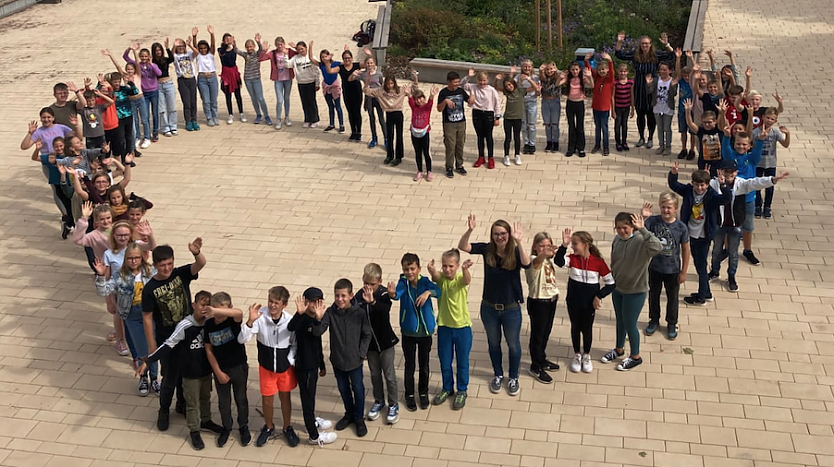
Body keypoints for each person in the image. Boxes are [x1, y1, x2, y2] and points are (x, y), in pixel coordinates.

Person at [136, 291, 223, 451]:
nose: (205, 308)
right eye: (202, 305)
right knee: (192, 403)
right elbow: (168, 344)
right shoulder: (185, 325)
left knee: (205, 398)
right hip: (189, 373)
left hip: (205, 370)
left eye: (208, 305)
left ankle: (206, 420)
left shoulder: (210, 322)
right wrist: (149, 360)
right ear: (193, 305)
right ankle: (194, 431)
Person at [458, 215, 530, 396]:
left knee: (513, 345)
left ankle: (513, 377)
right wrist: (470, 230)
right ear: (492, 235)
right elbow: (463, 246)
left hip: (511, 308)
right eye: (496, 234)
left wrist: (519, 242)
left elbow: (527, 264)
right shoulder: (487, 249)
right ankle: (498, 374)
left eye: (504, 233)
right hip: (489, 307)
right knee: (493, 343)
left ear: (509, 234)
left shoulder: (514, 251)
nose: (500, 237)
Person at [142, 238, 207, 432]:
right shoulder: (150, 289)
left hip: (188, 335)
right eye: (162, 265)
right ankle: (163, 409)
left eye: (170, 263)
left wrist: (196, 252)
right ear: (155, 266)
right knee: (170, 377)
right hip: (167, 336)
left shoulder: (180, 274)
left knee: (186, 372)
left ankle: (182, 403)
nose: (167, 268)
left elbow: (201, 264)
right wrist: (152, 345)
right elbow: (147, 318)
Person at [708, 160, 789, 291]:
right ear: (720, 171)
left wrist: (772, 180)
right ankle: (714, 271)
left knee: (733, 253)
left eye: (731, 171)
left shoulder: (741, 184)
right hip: (719, 224)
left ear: (736, 172)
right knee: (716, 250)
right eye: (725, 171)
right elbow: (700, 186)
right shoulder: (714, 184)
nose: (728, 174)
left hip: (735, 225)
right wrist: (706, 176)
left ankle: (731, 277)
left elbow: (756, 182)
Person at [237, 286, 300, 448]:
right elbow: (242, 339)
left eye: (276, 303)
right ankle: (269, 426)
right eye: (270, 301)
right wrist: (250, 321)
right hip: (266, 368)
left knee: (285, 398)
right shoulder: (260, 317)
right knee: (267, 400)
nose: (272, 305)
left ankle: (287, 427)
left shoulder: (290, 320)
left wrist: (290, 361)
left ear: (284, 305)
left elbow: (294, 344)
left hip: (284, 368)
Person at [94, 242, 159, 394]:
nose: (134, 261)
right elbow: (103, 291)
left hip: (150, 313)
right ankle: (143, 377)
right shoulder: (119, 276)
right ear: (125, 260)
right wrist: (101, 275)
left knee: (153, 346)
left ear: (142, 258)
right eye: (130, 258)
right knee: (141, 348)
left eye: (137, 257)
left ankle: (155, 378)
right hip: (131, 315)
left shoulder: (151, 271)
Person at [601, 210, 662, 371]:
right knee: (620, 321)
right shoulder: (617, 240)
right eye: (618, 228)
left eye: (625, 227)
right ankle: (619, 349)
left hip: (635, 291)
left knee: (630, 324)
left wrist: (643, 229)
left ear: (632, 227)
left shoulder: (641, 240)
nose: (622, 231)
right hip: (618, 288)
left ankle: (636, 356)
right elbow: (615, 261)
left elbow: (657, 247)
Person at [312, 279, 372, 437]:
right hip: (338, 361)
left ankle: (359, 418)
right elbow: (318, 332)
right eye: (337, 295)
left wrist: (361, 352)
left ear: (351, 295)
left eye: (343, 296)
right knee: (344, 389)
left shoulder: (359, 313)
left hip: (355, 361)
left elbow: (367, 334)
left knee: (358, 389)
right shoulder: (331, 313)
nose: (340, 299)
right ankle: (349, 414)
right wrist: (317, 318)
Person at [667, 162, 731, 306]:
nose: (699, 188)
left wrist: (723, 185)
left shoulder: (712, 196)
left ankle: (701, 297)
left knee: (700, 267)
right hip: (690, 233)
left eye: (703, 185)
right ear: (692, 183)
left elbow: (726, 199)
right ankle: (706, 293)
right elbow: (675, 185)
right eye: (697, 185)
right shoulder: (689, 191)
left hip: (703, 236)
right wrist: (674, 174)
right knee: (699, 264)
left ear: (708, 184)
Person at [555, 229, 615, 373]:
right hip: (573, 302)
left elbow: (611, 284)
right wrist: (563, 245)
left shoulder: (599, 263)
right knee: (575, 328)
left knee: (587, 329)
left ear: (586, 245)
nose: (572, 246)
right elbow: (558, 261)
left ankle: (586, 356)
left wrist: (598, 296)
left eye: (575, 244)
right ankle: (577, 355)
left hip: (589, 304)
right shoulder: (572, 259)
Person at [388, 253, 441, 411]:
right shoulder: (403, 283)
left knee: (424, 364)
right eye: (406, 269)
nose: (409, 272)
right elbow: (397, 294)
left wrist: (427, 293)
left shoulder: (425, 282)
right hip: (409, 332)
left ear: (418, 268)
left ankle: (423, 392)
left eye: (412, 268)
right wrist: (391, 293)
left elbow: (438, 291)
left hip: (425, 332)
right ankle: (409, 394)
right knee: (409, 365)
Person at [287, 288, 337, 446]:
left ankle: (313, 421)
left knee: (311, 398)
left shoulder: (315, 318)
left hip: (313, 366)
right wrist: (300, 313)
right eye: (312, 301)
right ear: (305, 302)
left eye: (318, 301)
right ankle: (314, 436)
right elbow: (293, 327)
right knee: (307, 401)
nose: (315, 304)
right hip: (304, 367)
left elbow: (317, 344)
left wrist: (321, 364)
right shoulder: (303, 320)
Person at [426, 249, 473, 409]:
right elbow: (436, 276)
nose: (447, 269)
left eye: (451, 266)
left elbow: (466, 281)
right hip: (445, 327)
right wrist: (432, 270)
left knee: (462, 362)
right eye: (444, 266)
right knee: (445, 362)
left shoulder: (460, 278)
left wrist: (465, 269)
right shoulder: (441, 280)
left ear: (457, 265)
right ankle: (447, 388)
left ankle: (462, 390)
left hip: (462, 328)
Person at [203, 292, 252, 447]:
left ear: (228, 308)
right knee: (224, 402)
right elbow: (209, 350)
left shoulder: (233, 320)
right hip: (221, 370)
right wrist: (217, 372)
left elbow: (238, 313)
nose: (217, 316)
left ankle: (243, 426)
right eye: (214, 311)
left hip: (239, 367)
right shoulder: (209, 325)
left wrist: (217, 311)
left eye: (220, 311)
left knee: (241, 399)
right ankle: (226, 427)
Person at [354, 263, 400, 424]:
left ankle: (393, 404)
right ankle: (379, 401)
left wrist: (372, 302)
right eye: (366, 283)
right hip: (370, 345)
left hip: (386, 342)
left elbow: (383, 311)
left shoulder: (383, 294)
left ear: (379, 281)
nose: (368, 287)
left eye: (372, 284)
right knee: (375, 375)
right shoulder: (358, 297)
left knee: (389, 375)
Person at [615, 31, 675, 149]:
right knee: (640, 113)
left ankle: (650, 138)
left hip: (652, 86)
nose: (644, 46)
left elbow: (672, 56)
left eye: (647, 43)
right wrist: (619, 42)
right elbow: (619, 55)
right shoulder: (635, 54)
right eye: (642, 43)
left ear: (651, 44)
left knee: (651, 113)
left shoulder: (656, 54)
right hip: (639, 86)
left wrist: (667, 44)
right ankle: (641, 137)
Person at [643, 193, 690, 339]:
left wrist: (684, 271)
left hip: (673, 269)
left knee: (672, 298)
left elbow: (686, 249)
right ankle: (654, 320)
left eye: (669, 207)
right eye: (663, 207)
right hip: (655, 267)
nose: (666, 210)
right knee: (653, 295)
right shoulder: (653, 221)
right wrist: (644, 218)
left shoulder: (681, 227)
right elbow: (640, 233)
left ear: (675, 208)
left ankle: (671, 322)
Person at [721, 129, 765, 266]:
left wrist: (761, 140)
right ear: (735, 144)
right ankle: (727, 249)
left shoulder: (751, 159)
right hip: (732, 199)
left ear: (749, 145)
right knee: (729, 224)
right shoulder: (730, 156)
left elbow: (758, 152)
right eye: (738, 144)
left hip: (748, 199)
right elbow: (725, 149)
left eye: (744, 145)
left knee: (748, 226)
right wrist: (727, 137)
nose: (741, 147)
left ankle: (747, 250)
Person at [524, 232, 560, 384]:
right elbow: (536, 262)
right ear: (535, 247)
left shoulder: (549, 261)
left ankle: (542, 359)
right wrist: (543, 254)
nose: (545, 249)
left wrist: (563, 246)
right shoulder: (533, 259)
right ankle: (536, 366)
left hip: (551, 300)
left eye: (548, 245)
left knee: (546, 332)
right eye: (541, 246)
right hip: (539, 302)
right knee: (538, 336)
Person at [363, 73, 415, 166]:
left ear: (394, 83)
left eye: (391, 83)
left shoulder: (400, 90)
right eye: (388, 84)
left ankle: (399, 157)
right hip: (389, 114)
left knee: (399, 136)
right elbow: (367, 91)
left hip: (398, 113)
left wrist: (415, 79)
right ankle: (389, 155)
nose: (390, 86)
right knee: (390, 136)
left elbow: (414, 89)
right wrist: (367, 82)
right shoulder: (381, 91)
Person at [461, 69, 502, 169]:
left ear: (487, 80)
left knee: (488, 136)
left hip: (488, 114)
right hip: (477, 113)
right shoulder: (473, 87)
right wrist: (468, 76)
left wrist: (497, 117)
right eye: (480, 80)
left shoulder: (491, 90)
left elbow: (497, 104)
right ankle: (481, 157)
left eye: (484, 80)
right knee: (480, 136)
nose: (482, 83)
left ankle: (491, 158)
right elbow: (462, 85)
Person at [753, 110, 790, 219]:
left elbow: (786, 145)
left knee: (770, 186)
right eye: (768, 117)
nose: (769, 120)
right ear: (763, 117)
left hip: (771, 163)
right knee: (757, 185)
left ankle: (767, 206)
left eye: (772, 119)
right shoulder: (755, 132)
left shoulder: (775, 132)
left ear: (775, 121)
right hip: (758, 163)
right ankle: (757, 205)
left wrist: (787, 134)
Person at [438, 72, 474, 178]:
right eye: (455, 82)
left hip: (461, 122)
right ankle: (449, 167)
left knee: (460, 144)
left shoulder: (460, 91)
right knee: (450, 145)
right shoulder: (443, 93)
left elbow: (469, 101)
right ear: (448, 82)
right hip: (449, 123)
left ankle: (459, 165)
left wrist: (472, 98)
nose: (457, 84)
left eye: (458, 82)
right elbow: (439, 109)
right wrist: (445, 102)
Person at [124, 43, 162, 143]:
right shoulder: (138, 66)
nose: (144, 58)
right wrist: (131, 49)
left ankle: (155, 133)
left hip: (153, 91)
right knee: (145, 116)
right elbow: (125, 57)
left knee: (155, 113)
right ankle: (146, 134)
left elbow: (159, 73)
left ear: (149, 56)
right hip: (143, 93)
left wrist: (151, 64)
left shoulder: (153, 65)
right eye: (142, 56)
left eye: (146, 56)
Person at [646, 50, 681, 156]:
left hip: (668, 108)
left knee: (667, 128)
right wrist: (648, 84)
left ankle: (668, 147)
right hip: (657, 107)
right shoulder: (656, 80)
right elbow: (650, 92)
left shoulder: (672, 81)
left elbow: (673, 94)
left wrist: (672, 86)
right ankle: (661, 145)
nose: (662, 71)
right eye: (661, 69)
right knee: (660, 128)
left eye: (665, 70)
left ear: (670, 71)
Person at [349, 56, 385, 148]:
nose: (369, 65)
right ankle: (374, 138)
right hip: (368, 98)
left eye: (371, 63)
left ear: (374, 64)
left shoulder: (378, 74)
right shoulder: (363, 74)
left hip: (378, 98)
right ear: (365, 64)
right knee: (371, 118)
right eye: (368, 63)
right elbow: (350, 79)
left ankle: (386, 139)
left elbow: (382, 85)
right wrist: (353, 74)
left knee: (381, 119)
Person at [494, 73, 528, 166]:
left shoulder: (520, 91)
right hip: (508, 118)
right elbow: (496, 87)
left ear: (514, 83)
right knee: (508, 138)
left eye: (510, 84)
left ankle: (517, 155)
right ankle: (506, 156)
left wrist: (529, 79)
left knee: (517, 137)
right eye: (506, 86)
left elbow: (534, 89)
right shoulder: (506, 92)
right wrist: (496, 79)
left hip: (518, 118)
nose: (509, 87)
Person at [238, 34, 271, 126]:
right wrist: (234, 44)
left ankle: (267, 116)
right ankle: (258, 115)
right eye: (248, 47)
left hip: (256, 79)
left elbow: (261, 49)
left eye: (251, 46)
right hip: (248, 79)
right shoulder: (245, 55)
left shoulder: (257, 54)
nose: (249, 49)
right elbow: (236, 51)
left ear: (254, 47)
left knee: (260, 98)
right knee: (253, 98)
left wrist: (258, 41)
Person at [309, 47, 344, 133]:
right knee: (330, 106)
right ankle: (331, 124)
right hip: (326, 86)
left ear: (329, 56)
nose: (324, 58)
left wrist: (346, 50)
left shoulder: (335, 63)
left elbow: (347, 62)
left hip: (334, 87)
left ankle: (341, 125)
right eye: (322, 57)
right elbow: (311, 59)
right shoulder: (321, 65)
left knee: (338, 106)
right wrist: (310, 47)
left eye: (325, 56)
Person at [586, 52, 615, 156]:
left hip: (605, 108)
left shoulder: (609, 79)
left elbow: (612, 72)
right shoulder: (597, 78)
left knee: (604, 128)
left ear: (607, 70)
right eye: (599, 69)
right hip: (596, 107)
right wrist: (586, 61)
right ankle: (597, 144)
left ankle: (606, 146)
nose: (602, 71)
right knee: (597, 127)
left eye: (604, 69)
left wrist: (610, 60)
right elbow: (589, 70)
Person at [286, 41, 320, 128]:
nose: (301, 51)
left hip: (311, 82)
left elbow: (317, 71)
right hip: (301, 83)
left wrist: (317, 83)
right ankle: (307, 119)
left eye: (302, 49)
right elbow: (288, 65)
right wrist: (285, 55)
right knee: (304, 102)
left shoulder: (311, 58)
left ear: (306, 48)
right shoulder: (295, 58)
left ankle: (315, 120)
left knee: (312, 102)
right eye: (299, 49)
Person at [408, 86, 438, 181]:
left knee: (426, 152)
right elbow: (411, 101)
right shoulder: (414, 107)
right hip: (414, 133)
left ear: (424, 98)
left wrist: (432, 95)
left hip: (425, 133)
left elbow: (430, 103)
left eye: (421, 98)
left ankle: (429, 171)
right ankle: (419, 170)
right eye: (417, 99)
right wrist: (409, 94)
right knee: (417, 152)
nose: (419, 100)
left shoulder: (426, 107)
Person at [564, 62, 593, 158]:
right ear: (570, 70)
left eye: (576, 69)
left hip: (579, 104)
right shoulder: (568, 78)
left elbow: (592, 85)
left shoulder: (582, 78)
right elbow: (557, 84)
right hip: (570, 103)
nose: (575, 71)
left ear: (579, 69)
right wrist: (560, 77)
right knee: (571, 126)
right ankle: (571, 148)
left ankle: (581, 148)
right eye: (573, 69)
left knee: (580, 127)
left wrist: (589, 76)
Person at [267, 36, 297, 129]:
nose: (279, 46)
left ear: (284, 44)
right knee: (280, 100)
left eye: (281, 44)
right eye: (278, 45)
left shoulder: (288, 51)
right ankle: (278, 119)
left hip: (288, 78)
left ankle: (287, 117)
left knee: (286, 98)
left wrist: (295, 47)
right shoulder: (273, 53)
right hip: (278, 79)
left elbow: (299, 53)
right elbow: (261, 58)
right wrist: (263, 49)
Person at [193, 25, 220, 127]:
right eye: (201, 48)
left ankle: (215, 116)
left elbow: (213, 45)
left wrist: (212, 34)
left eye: (205, 48)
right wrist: (194, 36)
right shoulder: (198, 55)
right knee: (206, 100)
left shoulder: (211, 54)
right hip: (202, 79)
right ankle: (209, 117)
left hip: (212, 77)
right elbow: (195, 46)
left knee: (213, 100)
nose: (203, 50)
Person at [172, 36, 200, 131]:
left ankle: (194, 120)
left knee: (193, 101)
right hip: (182, 80)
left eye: (182, 46)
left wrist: (190, 45)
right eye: (179, 47)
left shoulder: (189, 54)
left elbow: (197, 53)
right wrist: (173, 46)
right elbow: (170, 56)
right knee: (186, 102)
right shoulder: (176, 56)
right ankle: (188, 121)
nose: (181, 48)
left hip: (191, 78)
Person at [151, 40, 178, 137]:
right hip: (158, 85)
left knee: (172, 107)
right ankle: (165, 128)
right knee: (161, 108)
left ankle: (173, 126)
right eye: (156, 50)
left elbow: (172, 58)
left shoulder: (165, 59)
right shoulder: (152, 62)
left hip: (168, 83)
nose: (158, 52)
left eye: (159, 50)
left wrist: (168, 48)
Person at [218, 33, 246, 124]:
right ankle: (230, 114)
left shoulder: (234, 50)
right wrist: (225, 44)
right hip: (226, 74)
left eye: (229, 39)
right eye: (226, 39)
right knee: (228, 96)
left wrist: (234, 43)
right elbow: (222, 52)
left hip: (234, 73)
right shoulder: (220, 50)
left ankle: (241, 113)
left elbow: (235, 53)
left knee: (238, 95)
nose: (228, 40)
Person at [515, 59, 541, 154]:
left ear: (532, 67)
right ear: (522, 67)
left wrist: (529, 80)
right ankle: (526, 143)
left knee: (532, 125)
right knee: (523, 124)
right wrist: (521, 83)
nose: (527, 68)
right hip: (521, 102)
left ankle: (532, 143)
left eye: (529, 66)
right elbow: (515, 89)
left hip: (532, 103)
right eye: (525, 66)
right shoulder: (518, 77)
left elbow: (537, 91)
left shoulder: (535, 77)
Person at [339, 48, 364, 141]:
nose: (347, 60)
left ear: (352, 58)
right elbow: (330, 70)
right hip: (347, 92)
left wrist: (369, 55)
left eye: (349, 58)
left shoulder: (357, 65)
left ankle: (359, 132)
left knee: (357, 112)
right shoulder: (341, 68)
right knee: (350, 112)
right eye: (345, 58)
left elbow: (369, 63)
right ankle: (353, 131)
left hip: (357, 92)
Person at [539, 62, 562, 153]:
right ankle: (549, 142)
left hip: (555, 102)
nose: (549, 71)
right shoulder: (543, 78)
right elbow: (541, 75)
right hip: (545, 102)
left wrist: (555, 69)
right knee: (547, 124)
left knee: (555, 124)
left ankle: (556, 143)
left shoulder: (557, 77)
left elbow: (559, 76)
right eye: (547, 69)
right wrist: (541, 70)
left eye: (551, 69)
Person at [613, 64, 635, 152]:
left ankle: (624, 142)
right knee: (617, 125)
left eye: (624, 71)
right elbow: (612, 96)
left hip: (626, 107)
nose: (623, 73)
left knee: (625, 125)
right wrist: (613, 110)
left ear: (627, 72)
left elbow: (632, 95)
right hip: (618, 107)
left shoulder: (630, 82)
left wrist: (633, 109)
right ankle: (618, 142)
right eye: (621, 71)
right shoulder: (615, 82)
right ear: (618, 71)